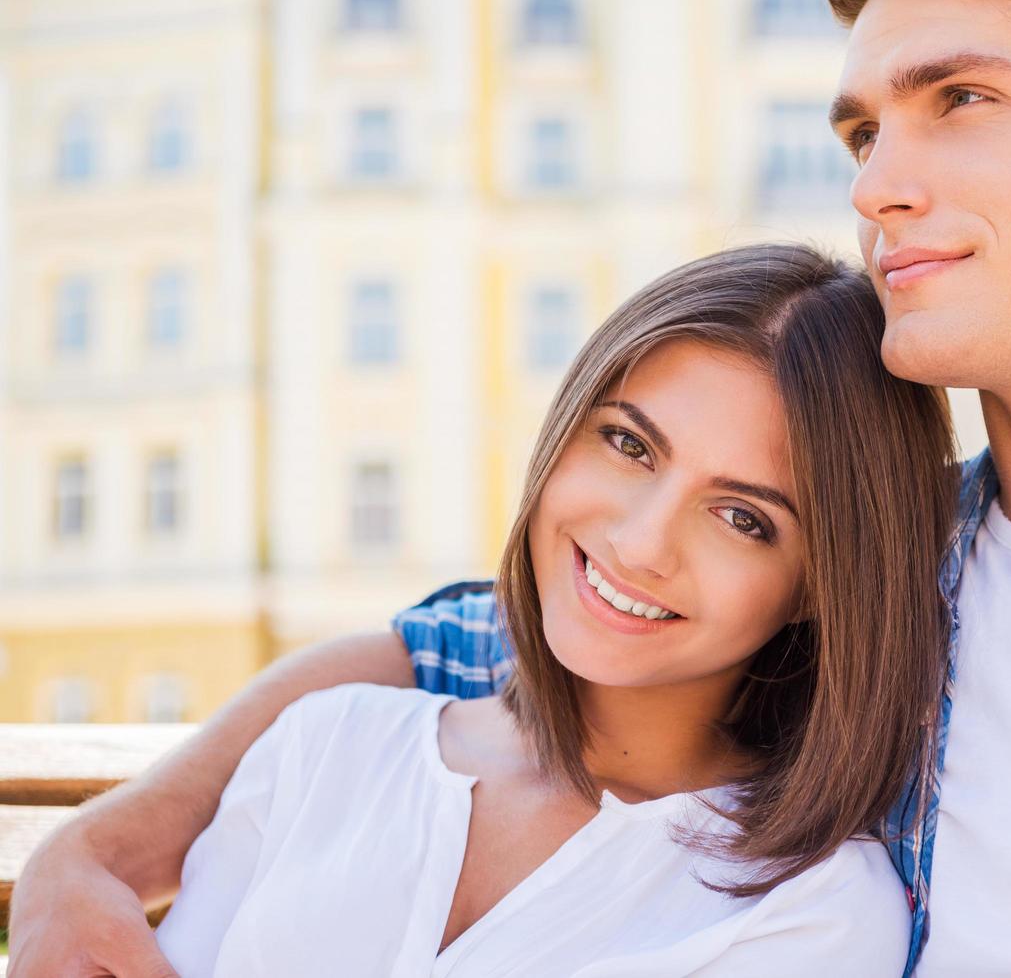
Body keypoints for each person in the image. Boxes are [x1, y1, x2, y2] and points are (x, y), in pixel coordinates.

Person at [12, 0, 1011, 976]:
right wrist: (106, 843)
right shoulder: (863, 600)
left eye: (958, 99)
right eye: (862, 131)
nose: (878, 182)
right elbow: (476, 639)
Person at [146, 242, 954, 975]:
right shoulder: (324, 744)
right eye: (629, 445)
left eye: (743, 518)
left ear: (819, 585)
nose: (641, 544)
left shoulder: (809, 912)